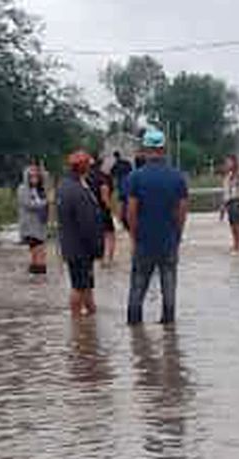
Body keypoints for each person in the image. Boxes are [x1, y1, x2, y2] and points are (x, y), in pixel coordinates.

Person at [126, 129, 189, 326]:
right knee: (169, 288)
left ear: (145, 150)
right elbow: (182, 212)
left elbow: (131, 211)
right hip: (168, 241)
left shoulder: (135, 177)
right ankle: (169, 329)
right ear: (164, 150)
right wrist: (177, 235)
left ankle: (135, 331)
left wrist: (135, 236)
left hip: (144, 242)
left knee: (137, 288)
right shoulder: (178, 177)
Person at [56, 151, 104, 317]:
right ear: (83, 166)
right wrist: (97, 248)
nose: (91, 168)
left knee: (86, 285)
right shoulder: (77, 190)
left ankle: (91, 319)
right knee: (79, 286)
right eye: (89, 165)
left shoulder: (64, 185)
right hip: (81, 248)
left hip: (71, 245)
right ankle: (76, 323)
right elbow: (87, 224)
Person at [17, 163, 50, 274]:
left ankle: (36, 274)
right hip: (29, 226)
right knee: (37, 250)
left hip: (40, 224)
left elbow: (46, 178)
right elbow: (29, 204)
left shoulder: (40, 189)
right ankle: (38, 273)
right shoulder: (22, 189)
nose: (34, 178)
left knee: (40, 251)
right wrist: (46, 202)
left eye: (36, 176)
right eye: (32, 176)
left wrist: (42, 171)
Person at [87, 157, 117, 265]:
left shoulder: (90, 177)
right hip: (103, 210)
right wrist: (111, 209)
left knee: (100, 235)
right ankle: (108, 259)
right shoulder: (104, 179)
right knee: (110, 235)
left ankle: (102, 258)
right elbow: (105, 195)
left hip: (92, 210)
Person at [221, 154, 239, 253]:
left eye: (229, 162)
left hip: (238, 202)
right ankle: (236, 244)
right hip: (229, 203)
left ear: (234, 163)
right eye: (226, 162)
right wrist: (223, 208)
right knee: (232, 226)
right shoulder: (227, 177)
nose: (227, 164)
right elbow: (225, 193)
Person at [110, 150, 134, 228]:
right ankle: (128, 220)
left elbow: (112, 173)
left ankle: (121, 220)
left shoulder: (116, 165)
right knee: (128, 201)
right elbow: (131, 170)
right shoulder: (126, 163)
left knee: (122, 202)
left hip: (121, 185)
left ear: (115, 157)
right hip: (128, 183)